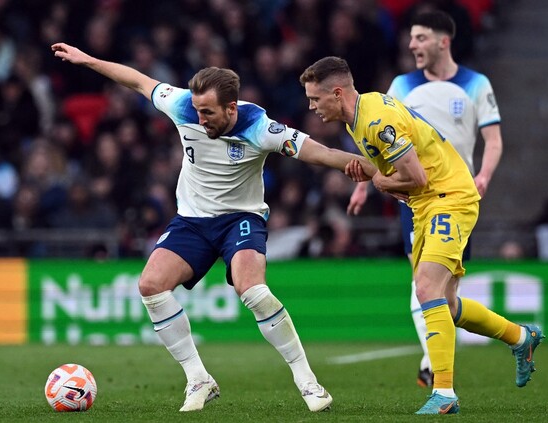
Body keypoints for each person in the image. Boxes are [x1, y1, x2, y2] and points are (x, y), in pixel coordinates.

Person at [51, 41, 370, 413]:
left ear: (231, 108)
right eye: (198, 110)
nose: (200, 119)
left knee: (253, 290)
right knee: (150, 286)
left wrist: (374, 170)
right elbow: (138, 81)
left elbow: (324, 154)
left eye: (208, 113)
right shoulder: (182, 104)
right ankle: (198, 379)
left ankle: (307, 381)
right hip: (193, 220)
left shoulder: (261, 128)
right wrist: (89, 61)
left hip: (241, 219)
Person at [299, 56, 543, 415]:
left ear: (336, 93)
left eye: (315, 99)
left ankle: (444, 393)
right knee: (445, 303)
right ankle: (521, 337)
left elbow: (416, 177)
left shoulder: (376, 120)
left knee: (426, 289)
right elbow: (394, 170)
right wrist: (368, 172)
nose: (311, 106)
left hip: (448, 198)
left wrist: (379, 181)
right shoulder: (357, 119)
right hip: (427, 204)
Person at [347, 10, 504, 388]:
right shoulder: (402, 85)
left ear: (442, 41)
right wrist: (364, 182)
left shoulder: (476, 83)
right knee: (424, 284)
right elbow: (381, 138)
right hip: (415, 198)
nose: (412, 45)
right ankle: (434, 366)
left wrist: (483, 175)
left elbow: (494, 140)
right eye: (411, 38)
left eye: (419, 38)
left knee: (447, 291)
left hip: (458, 193)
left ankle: (511, 338)